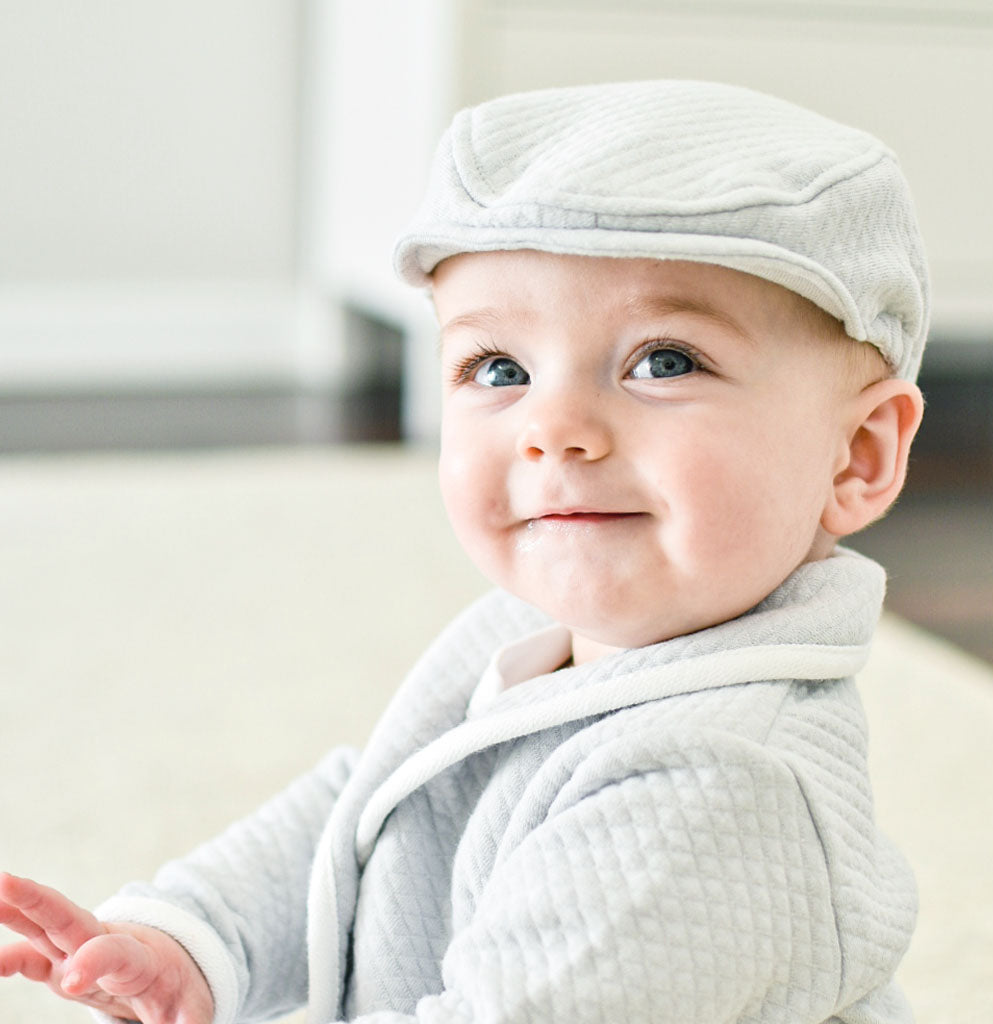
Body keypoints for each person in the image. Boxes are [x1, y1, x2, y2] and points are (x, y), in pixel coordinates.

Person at [0, 79, 927, 1024]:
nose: (553, 428)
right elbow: (376, 805)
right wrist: (198, 938)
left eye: (663, 361)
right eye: (500, 369)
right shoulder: (540, 631)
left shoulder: (720, 783)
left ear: (856, 455)